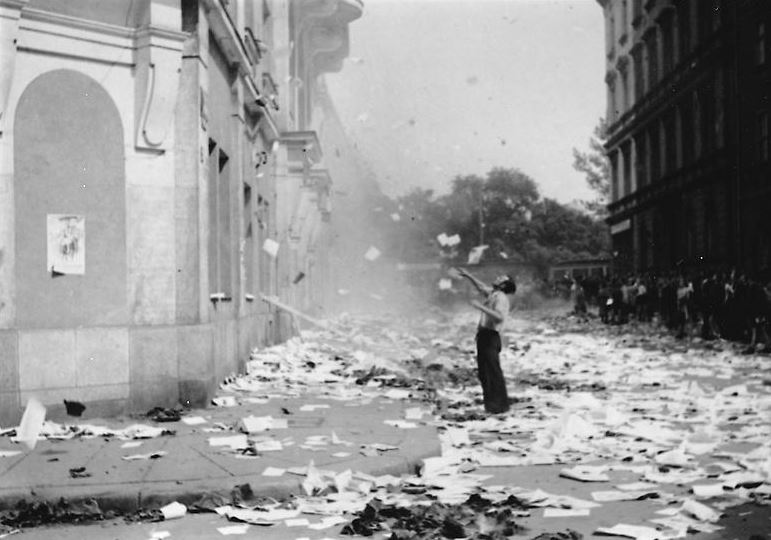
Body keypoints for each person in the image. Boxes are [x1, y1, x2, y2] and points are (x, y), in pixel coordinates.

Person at [456, 268, 517, 415]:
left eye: (500, 278)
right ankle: (492, 406)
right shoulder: (494, 294)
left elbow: (499, 317)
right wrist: (469, 275)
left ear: (503, 285)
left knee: (492, 372)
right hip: (485, 336)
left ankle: (500, 406)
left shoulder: (501, 297)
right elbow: (481, 287)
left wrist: (480, 307)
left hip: (491, 336)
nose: (497, 277)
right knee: (485, 372)